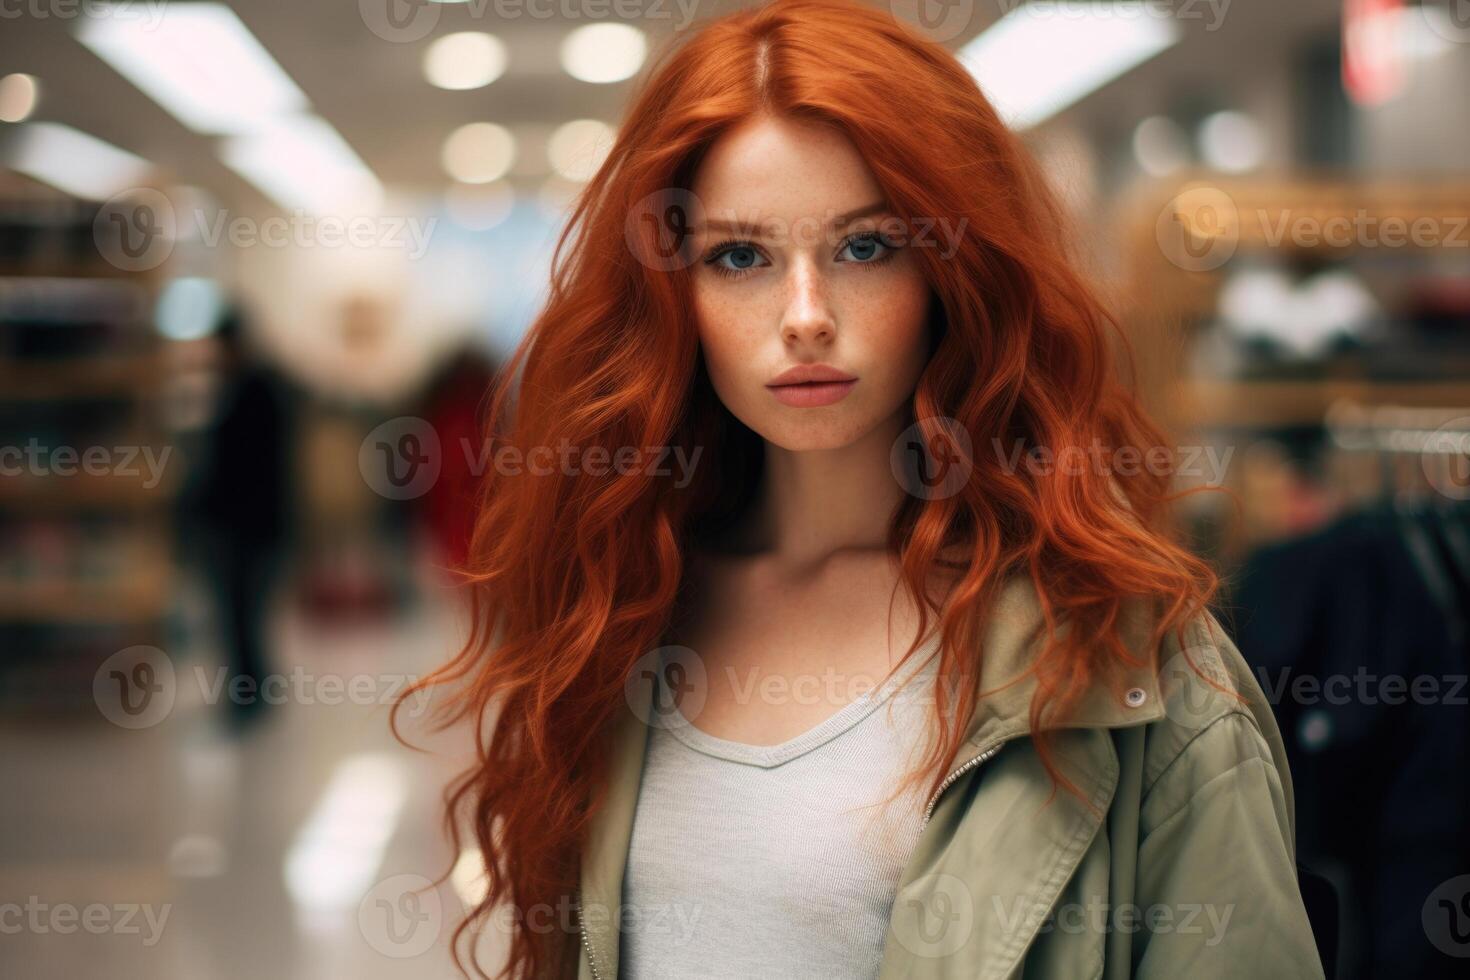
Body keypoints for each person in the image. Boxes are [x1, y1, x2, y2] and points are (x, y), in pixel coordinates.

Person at [395, 2, 1326, 977]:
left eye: (866, 245)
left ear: (951, 269)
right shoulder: (615, 608)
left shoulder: (1132, 663)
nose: (805, 315)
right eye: (740, 255)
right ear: (674, 290)